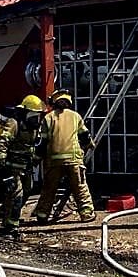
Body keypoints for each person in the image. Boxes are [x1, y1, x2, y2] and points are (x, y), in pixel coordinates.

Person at [32, 89, 95, 224]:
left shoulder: (48, 118)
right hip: (73, 160)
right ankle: (86, 214)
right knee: (80, 187)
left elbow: (42, 143)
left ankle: (42, 215)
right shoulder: (75, 116)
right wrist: (90, 145)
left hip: (53, 161)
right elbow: (85, 136)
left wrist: (36, 160)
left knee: (49, 188)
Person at [0, 95, 44, 232]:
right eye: (34, 115)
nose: (36, 119)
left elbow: (33, 145)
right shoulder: (14, 123)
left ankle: (5, 213)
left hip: (26, 166)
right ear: (26, 112)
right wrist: (1, 158)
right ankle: (11, 225)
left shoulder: (33, 127)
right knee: (17, 194)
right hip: (12, 166)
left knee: (28, 190)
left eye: (38, 116)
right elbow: (3, 141)